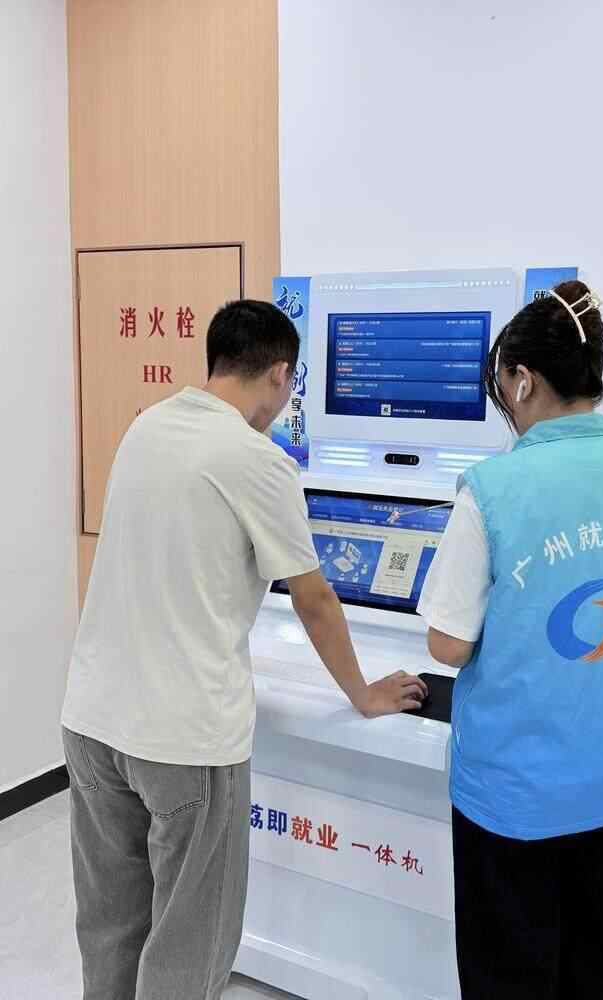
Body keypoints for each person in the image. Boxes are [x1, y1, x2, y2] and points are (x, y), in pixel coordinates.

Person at [61, 299, 426, 1000]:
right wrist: (364, 693)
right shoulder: (258, 461)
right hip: (184, 738)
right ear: (280, 374)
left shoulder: (146, 427)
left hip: (91, 720)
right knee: (188, 940)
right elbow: (314, 599)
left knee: (111, 926)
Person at [417, 281, 603, 1000]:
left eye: (503, 384)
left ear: (522, 379)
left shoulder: (492, 489)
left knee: (509, 970)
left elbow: (446, 645)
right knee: (596, 959)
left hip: (513, 796)